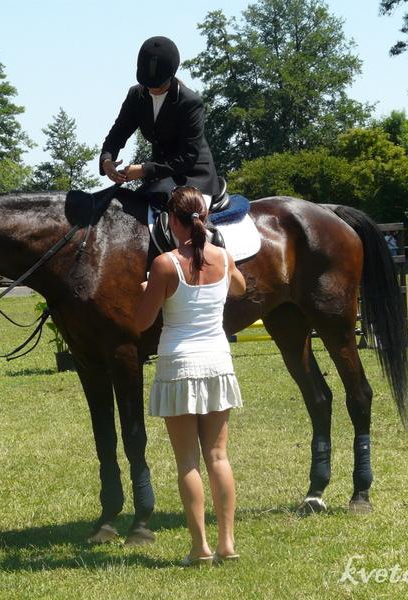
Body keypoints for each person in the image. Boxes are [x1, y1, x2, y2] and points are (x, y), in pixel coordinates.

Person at [134, 187, 246, 566]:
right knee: (219, 456)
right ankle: (227, 544)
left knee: (188, 463)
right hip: (217, 362)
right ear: (205, 217)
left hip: (179, 365)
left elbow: (142, 322)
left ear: (172, 220)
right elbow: (239, 287)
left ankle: (200, 548)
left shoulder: (165, 264)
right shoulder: (224, 257)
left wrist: (146, 290)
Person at [100, 36, 221, 205]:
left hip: (193, 177)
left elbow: (187, 157)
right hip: (160, 179)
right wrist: (106, 160)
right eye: (148, 84)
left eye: (159, 85)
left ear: (171, 75)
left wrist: (144, 170)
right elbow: (117, 134)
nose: (153, 89)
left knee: (183, 216)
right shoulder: (136, 96)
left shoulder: (190, 103)